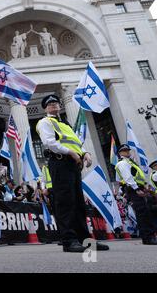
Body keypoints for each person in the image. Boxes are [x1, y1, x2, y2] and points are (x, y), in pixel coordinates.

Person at [36, 94, 109, 253]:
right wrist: (71, 153)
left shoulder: (65, 124)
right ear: (45, 108)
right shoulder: (45, 122)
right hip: (60, 162)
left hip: (73, 164)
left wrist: (85, 153)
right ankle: (69, 240)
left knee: (78, 203)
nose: (54, 105)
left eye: (56, 103)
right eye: (50, 104)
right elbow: (50, 143)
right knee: (66, 202)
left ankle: (85, 240)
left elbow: (76, 142)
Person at [115, 145, 157, 245]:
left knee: (144, 212)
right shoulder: (122, 163)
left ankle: (148, 237)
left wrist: (144, 185)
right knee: (142, 213)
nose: (127, 152)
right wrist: (136, 188)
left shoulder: (131, 163)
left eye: (128, 150)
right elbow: (128, 178)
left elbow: (138, 176)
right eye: (124, 151)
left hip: (137, 188)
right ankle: (148, 238)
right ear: (120, 153)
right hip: (133, 189)